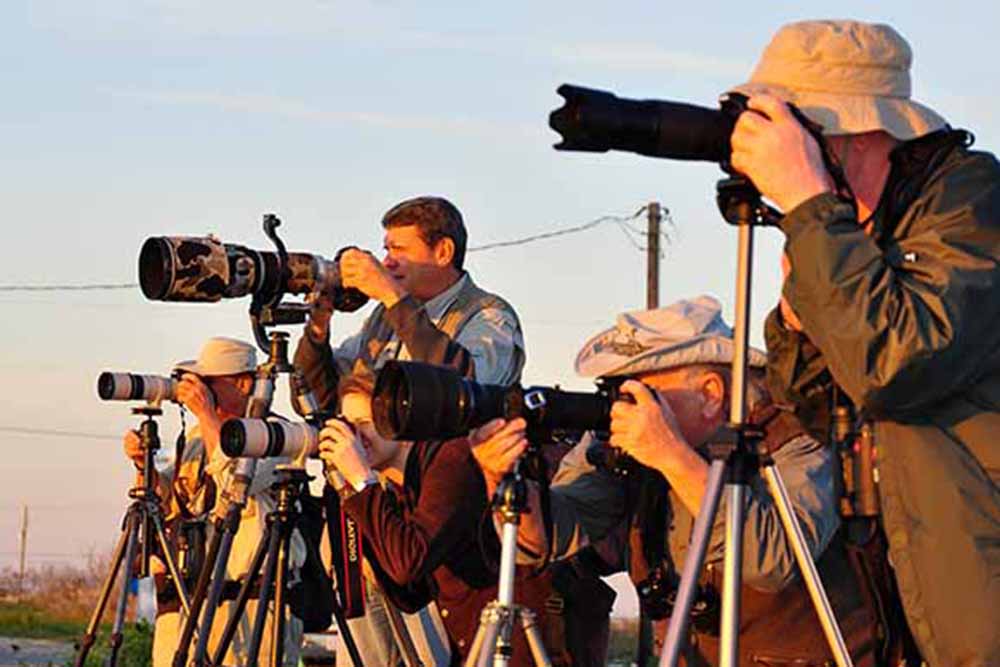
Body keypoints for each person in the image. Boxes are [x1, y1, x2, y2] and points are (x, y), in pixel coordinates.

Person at [726, 19, 1000, 666]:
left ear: (846, 134)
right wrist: (798, 324)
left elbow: (896, 365)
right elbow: (820, 413)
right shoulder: (857, 236)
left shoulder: (970, 204)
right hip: (913, 600)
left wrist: (811, 208)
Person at [471, 296, 878, 666]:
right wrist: (503, 479)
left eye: (641, 391)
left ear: (711, 394)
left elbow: (771, 560)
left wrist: (671, 455)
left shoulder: (795, 437)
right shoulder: (624, 447)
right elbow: (551, 537)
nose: (623, 406)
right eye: (614, 389)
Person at [293, 195, 527, 666]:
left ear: (443, 252)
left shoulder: (488, 316)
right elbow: (327, 395)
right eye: (385, 249)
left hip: (441, 533)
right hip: (371, 515)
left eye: (399, 249)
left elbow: (470, 386)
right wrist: (317, 329)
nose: (387, 262)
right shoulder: (383, 320)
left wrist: (394, 299)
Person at [317, 387, 563, 667]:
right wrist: (351, 493)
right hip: (475, 641)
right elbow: (410, 595)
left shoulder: (450, 459)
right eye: (347, 425)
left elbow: (410, 562)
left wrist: (362, 482)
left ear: (402, 422)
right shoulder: (402, 488)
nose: (354, 438)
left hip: (516, 639)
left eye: (364, 423)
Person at [123, 337, 304, 667]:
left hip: (249, 604)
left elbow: (235, 483)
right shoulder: (196, 438)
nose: (198, 392)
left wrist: (206, 414)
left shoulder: (275, 434)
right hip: (189, 600)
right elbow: (170, 501)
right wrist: (142, 464)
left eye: (208, 383)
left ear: (243, 383)